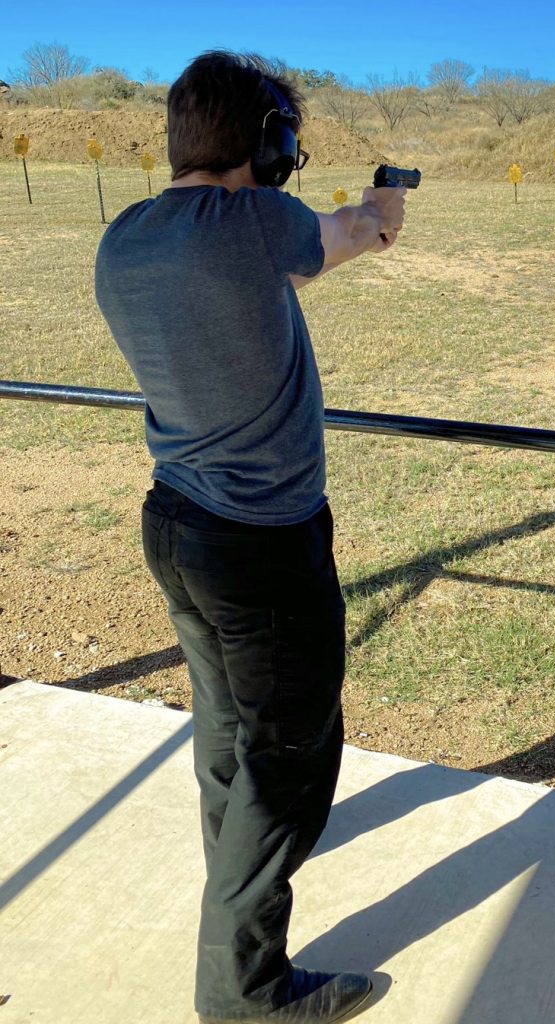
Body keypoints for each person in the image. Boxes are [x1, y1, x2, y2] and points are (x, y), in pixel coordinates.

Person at [95, 50, 407, 1024]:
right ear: (268, 145)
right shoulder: (258, 222)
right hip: (262, 544)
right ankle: (245, 991)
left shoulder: (127, 237)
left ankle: (230, 877)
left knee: (230, 732)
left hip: (177, 523)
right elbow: (364, 232)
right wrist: (389, 193)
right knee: (289, 761)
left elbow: (237, 296)